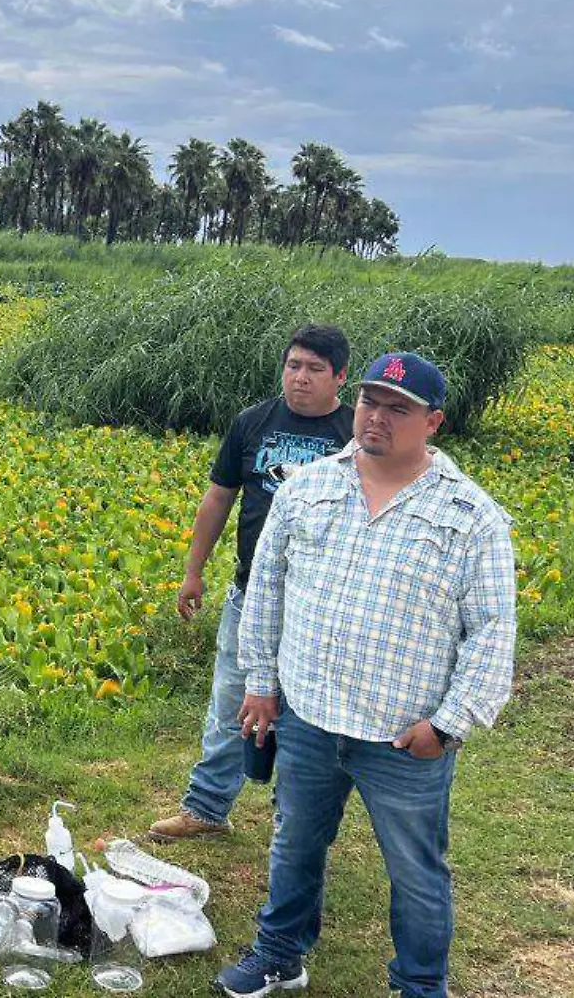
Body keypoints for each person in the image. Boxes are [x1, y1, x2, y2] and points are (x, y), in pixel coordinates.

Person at [215, 352, 517, 998]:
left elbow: (493, 629)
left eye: (397, 409)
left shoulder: (470, 516)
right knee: (294, 845)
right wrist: (261, 684)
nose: (376, 417)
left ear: (432, 421)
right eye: (370, 402)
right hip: (308, 719)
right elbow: (265, 587)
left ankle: (418, 984)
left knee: (415, 870)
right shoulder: (308, 487)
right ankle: (280, 954)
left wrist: (447, 724)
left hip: (402, 735)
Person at [149, 325, 354, 842]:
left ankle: (296, 821)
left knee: (308, 716)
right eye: (293, 365)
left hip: (321, 603)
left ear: (340, 377)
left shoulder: (355, 436)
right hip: (251, 592)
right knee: (230, 701)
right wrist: (193, 571)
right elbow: (218, 498)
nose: (300, 378)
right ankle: (206, 809)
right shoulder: (253, 423)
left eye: (313, 369)